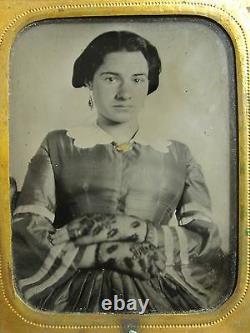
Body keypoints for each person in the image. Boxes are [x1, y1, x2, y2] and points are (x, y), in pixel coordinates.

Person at [12, 30, 225, 313]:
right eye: (111, 78)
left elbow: (205, 244)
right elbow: (28, 234)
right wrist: (104, 253)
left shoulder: (178, 154)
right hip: (72, 288)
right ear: (89, 81)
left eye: (137, 79)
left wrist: (134, 229)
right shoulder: (58, 144)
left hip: (158, 285)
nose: (125, 93)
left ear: (148, 83)